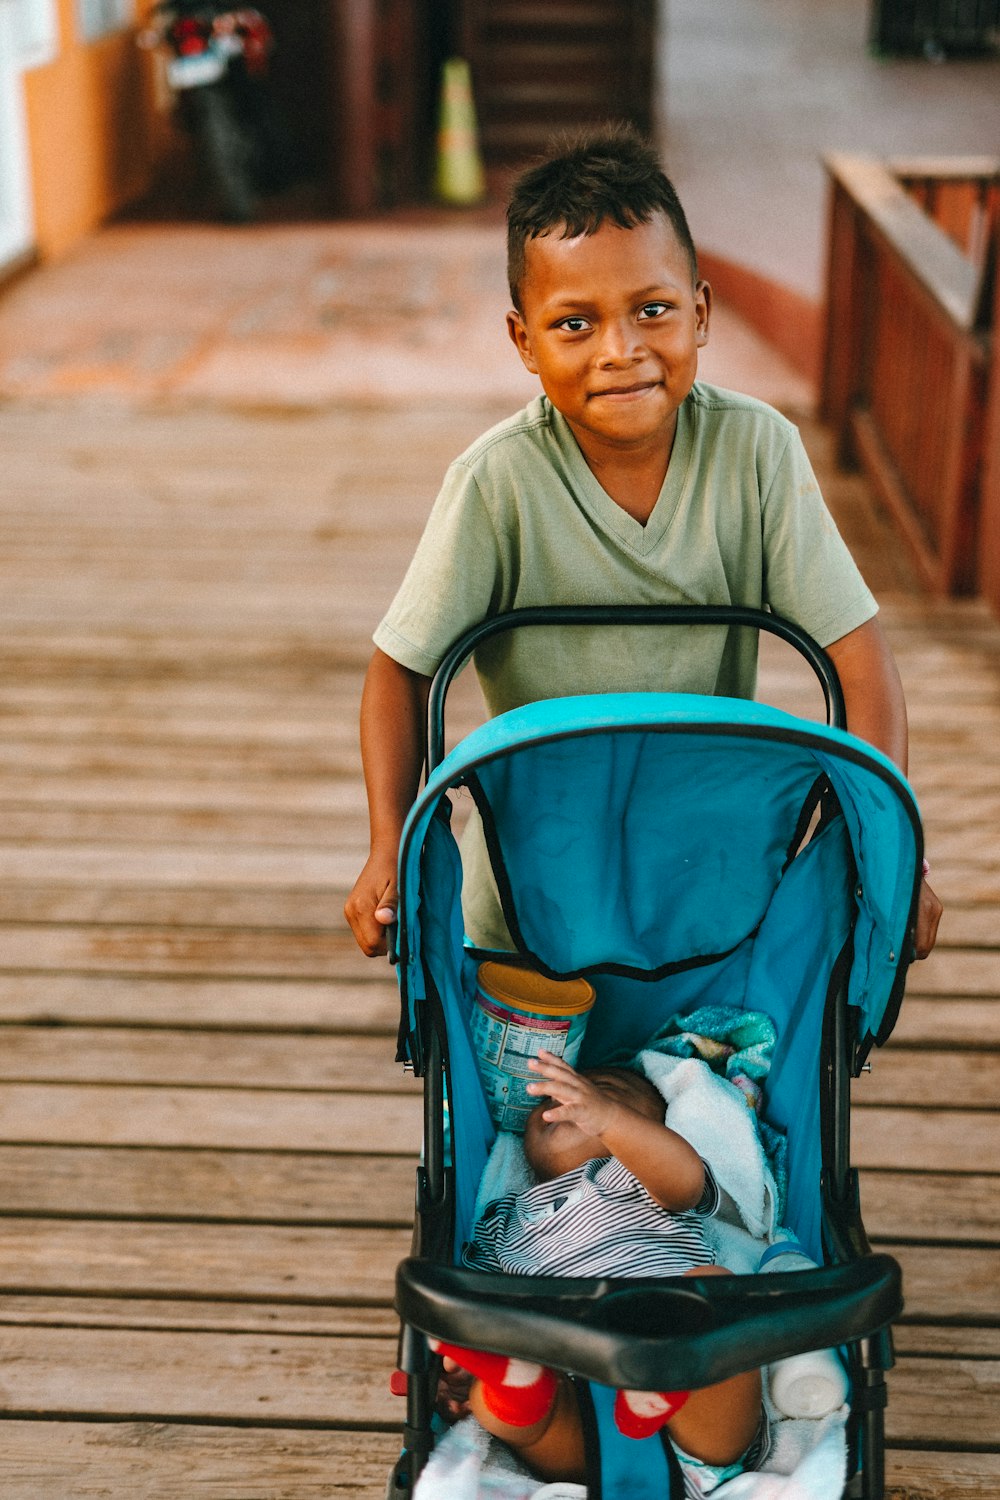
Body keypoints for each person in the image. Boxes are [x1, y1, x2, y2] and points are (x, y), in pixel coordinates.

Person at [344, 123, 941, 960]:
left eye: (652, 311)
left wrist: (890, 847)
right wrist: (389, 843)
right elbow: (400, 669)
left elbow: (861, 660)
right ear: (525, 342)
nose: (621, 351)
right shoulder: (496, 484)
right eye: (575, 324)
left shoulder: (757, 453)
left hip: (713, 886)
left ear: (699, 314)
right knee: (531, 1090)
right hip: (526, 897)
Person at [430, 1048, 767, 1487]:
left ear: (653, 1129)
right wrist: (460, 1369)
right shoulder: (501, 1219)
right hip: (575, 1408)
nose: (566, 1104)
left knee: (715, 1294)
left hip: (694, 1410)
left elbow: (683, 1182)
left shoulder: (638, 1175)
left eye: (600, 1093)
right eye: (549, 1101)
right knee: (506, 1406)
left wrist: (608, 1120)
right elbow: (478, 1298)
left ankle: (654, 1380)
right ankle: (517, 1385)